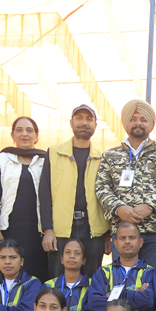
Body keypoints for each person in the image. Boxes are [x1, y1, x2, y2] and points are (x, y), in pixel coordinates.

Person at [96, 99, 156, 267]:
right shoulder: (110, 156)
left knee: (152, 278)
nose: (138, 123)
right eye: (133, 119)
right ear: (125, 123)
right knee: (123, 278)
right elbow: (101, 187)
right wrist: (119, 208)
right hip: (122, 231)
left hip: (155, 230)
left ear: (151, 124)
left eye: (143, 120)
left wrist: (150, 206)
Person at [40, 104, 108, 278]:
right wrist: (48, 230)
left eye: (89, 119)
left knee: (92, 278)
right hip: (61, 227)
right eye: (79, 118)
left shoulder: (102, 158)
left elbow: (107, 196)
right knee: (57, 278)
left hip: (94, 229)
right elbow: (44, 194)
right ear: (71, 122)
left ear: (95, 125)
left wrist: (107, 234)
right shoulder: (54, 153)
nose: (84, 123)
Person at [0, 116, 50, 282]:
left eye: (29, 130)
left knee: (35, 275)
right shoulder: (2, 159)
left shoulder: (46, 160)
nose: (24, 134)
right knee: (5, 273)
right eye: (19, 130)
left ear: (36, 136)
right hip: (6, 229)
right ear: (12, 135)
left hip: (37, 232)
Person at [86, 222, 156, 311]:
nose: (127, 241)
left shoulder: (151, 273)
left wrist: (114, 296)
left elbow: (148, 301)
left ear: (140, 242)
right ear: (115, 243)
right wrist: (136, 297)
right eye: (122, 238)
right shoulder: (102, 272)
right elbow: (94, 304)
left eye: (132, 237)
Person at [44, 238, 94, 311]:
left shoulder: (92, 285)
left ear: (84, 260)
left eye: (77, 253)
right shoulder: (49, 285)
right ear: (62, 259)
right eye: (67, 252)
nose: (72, 256)